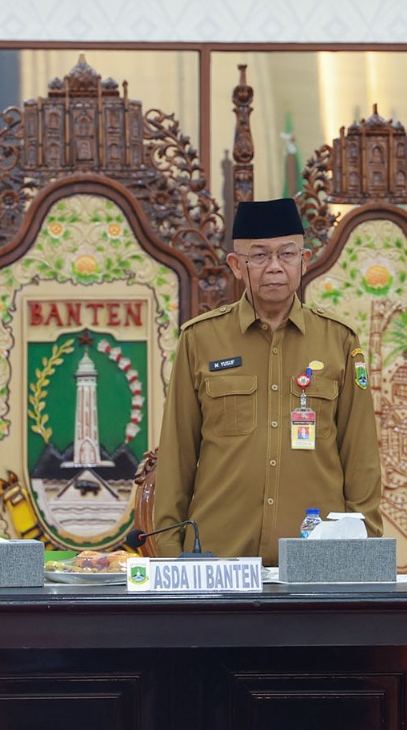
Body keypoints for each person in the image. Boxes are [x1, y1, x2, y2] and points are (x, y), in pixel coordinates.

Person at [152, 198, 382, 564]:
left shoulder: (339, 341)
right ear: (236, 266)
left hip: (317, 561)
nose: (274, 267)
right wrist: (169, 555)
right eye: (259, 256)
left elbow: (361, 458)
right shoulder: (200, 340)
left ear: (304, 262)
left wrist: (362, 552)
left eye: (286, 254)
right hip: (218, 557)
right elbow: (177, 455)